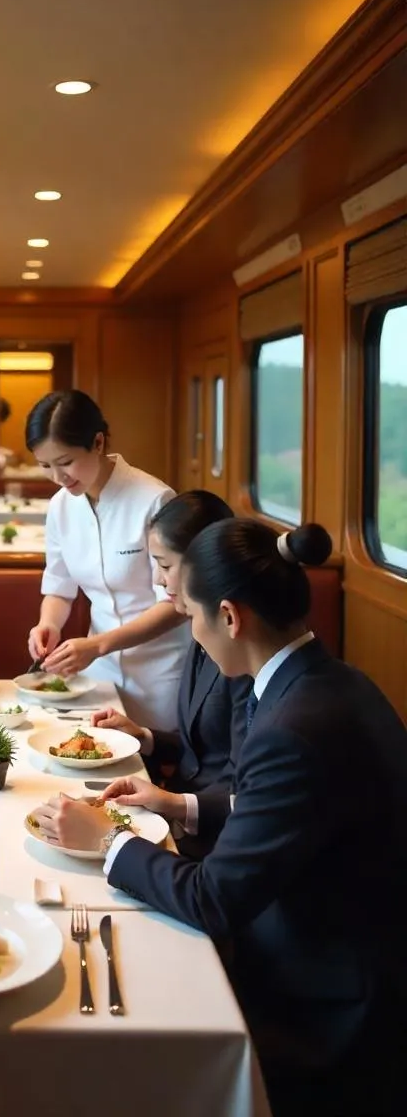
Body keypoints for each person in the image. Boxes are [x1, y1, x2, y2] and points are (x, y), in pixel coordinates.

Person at [34, 520, 407, 1117]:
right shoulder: (331, 682)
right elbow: (275, 810)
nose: (193, 633)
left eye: (192, 616)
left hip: (327, 1004)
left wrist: (108, 839)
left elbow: (214, 900)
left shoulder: (292, 728)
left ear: (229, 617)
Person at [89, 490, 251, 856]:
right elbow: (204, 748)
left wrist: (174, 805)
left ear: (204, 564)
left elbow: (241, 788)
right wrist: (144, 736)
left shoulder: (240, 651)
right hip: (179, 812)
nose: (159, 581)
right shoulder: (202, 628)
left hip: (213, 838)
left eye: (164, 566)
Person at [25, 390, 189, 731]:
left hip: (160, 669)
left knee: (157, 753)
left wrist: (98, 645)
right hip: (98, 670)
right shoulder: (60, 507)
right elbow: (59, 588)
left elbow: (175, 604)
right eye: (45, 466)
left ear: (97, 443)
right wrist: (48, 624)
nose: (58, 477)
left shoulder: (154, 499)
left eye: (65, 462)